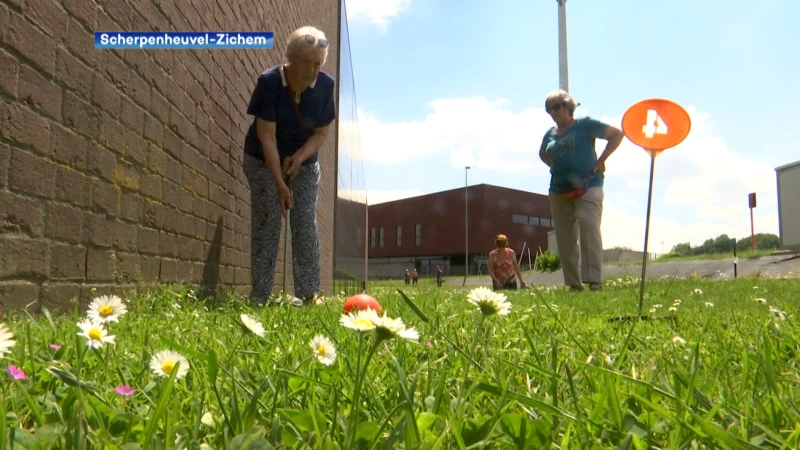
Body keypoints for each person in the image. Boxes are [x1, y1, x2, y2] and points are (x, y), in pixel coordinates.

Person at [242, 26, 336, 306]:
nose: (312, 70)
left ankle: (308, 295)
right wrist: (280, 185)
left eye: (317, 64)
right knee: (268, 220)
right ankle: (260, 296)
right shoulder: (270, 82)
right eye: (306, 63)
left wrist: (299, 158)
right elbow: (266, 136)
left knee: (304, 221)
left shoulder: (325, 86)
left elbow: (321, 134)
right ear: (290, 60)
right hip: (262, 158)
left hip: (304, 162)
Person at [538, 90, 623, 291]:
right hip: (559, 190)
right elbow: (543, 154)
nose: (554, 112)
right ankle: (574, 284)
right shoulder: (549, 133)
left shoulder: (585, 124)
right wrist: (555, 166)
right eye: (550, 109)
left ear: (569, 106)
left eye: (557, 107)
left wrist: (602, 160)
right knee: (565, 238)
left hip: (589, 185)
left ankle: (594, 280)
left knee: (589, 226)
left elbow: (616, 134)